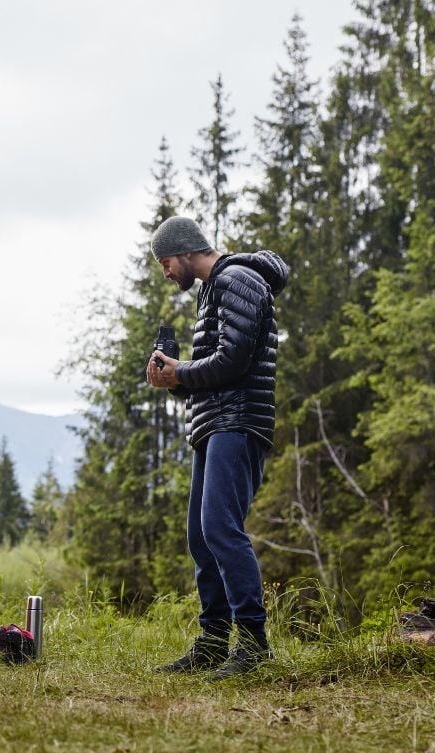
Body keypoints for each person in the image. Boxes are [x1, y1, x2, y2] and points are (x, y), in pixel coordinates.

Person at [144, 216, 289, 679]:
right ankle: (212, 642)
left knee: (222, 530)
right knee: (201, 536)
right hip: (214, 423)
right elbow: (215, 371)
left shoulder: (238, 279)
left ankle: (252, 645)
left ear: (185, 251)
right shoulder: (214, 291)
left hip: (239, 422)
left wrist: (182, 371)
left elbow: (234, 360)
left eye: (166, 262)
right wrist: (174, 378)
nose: (166, 272)